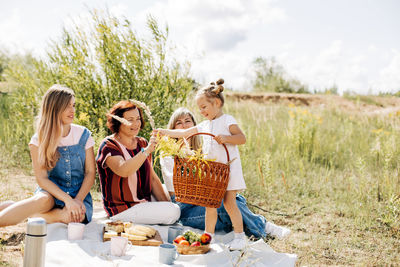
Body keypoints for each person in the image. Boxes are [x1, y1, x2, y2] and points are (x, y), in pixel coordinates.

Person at [160, 108, 291, 242]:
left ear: (194, 125)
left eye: (187, 121)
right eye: (179, 123)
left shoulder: (202, 149)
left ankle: (253, 226)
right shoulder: (168, 155)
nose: (184, 125)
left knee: (232, 198)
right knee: (225, 205)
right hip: (187, 209)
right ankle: (262, 227)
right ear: (174, 129)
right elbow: (179, 186)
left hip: (204, 200)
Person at [156, 79, 252, 250]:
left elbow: (242, 138)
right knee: (210, 205)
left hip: (227, 170)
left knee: (230, 203)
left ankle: (239, 237)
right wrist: (164, 131)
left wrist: (227, 138)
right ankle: (209, 236)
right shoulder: (205, 125)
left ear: (216, 103)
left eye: (204, 107)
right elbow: (185, 133)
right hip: (213, 173)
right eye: (199, 108)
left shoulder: (227, 120)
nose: (201, 111)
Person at [0, 85, 95, 227]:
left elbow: (90, 172)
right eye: (67, 106)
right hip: (51, 192)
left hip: (78, 194)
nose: (72, 110)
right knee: (42, 201)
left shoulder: (83, 135)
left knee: (75, 217)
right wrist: (67, 201)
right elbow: (42, 179)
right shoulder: (39, 140)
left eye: (73, 105)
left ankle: (29, 213)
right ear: (54, 108)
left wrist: (78, 200)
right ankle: (30, 211)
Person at [95, 100, 180, 224]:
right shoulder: (109, 145)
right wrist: (146, 151)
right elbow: (123, 170)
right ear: (118, 121)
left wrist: (168, 204)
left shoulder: (142, 143)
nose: (136, 124)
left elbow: (152, 179)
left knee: (167, 192)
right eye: (130, 119)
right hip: (123, 209)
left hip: (143, 201)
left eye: (138, 118)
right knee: (174, 211)